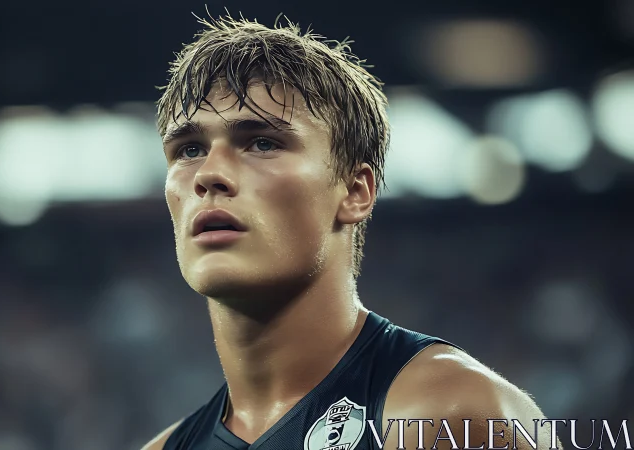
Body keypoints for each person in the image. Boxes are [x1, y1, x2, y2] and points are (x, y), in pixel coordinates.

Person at [143, 12, 562, 450]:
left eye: (262, 142)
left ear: (355, 191)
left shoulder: (445, 411)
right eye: (189, 149)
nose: (209, 175)